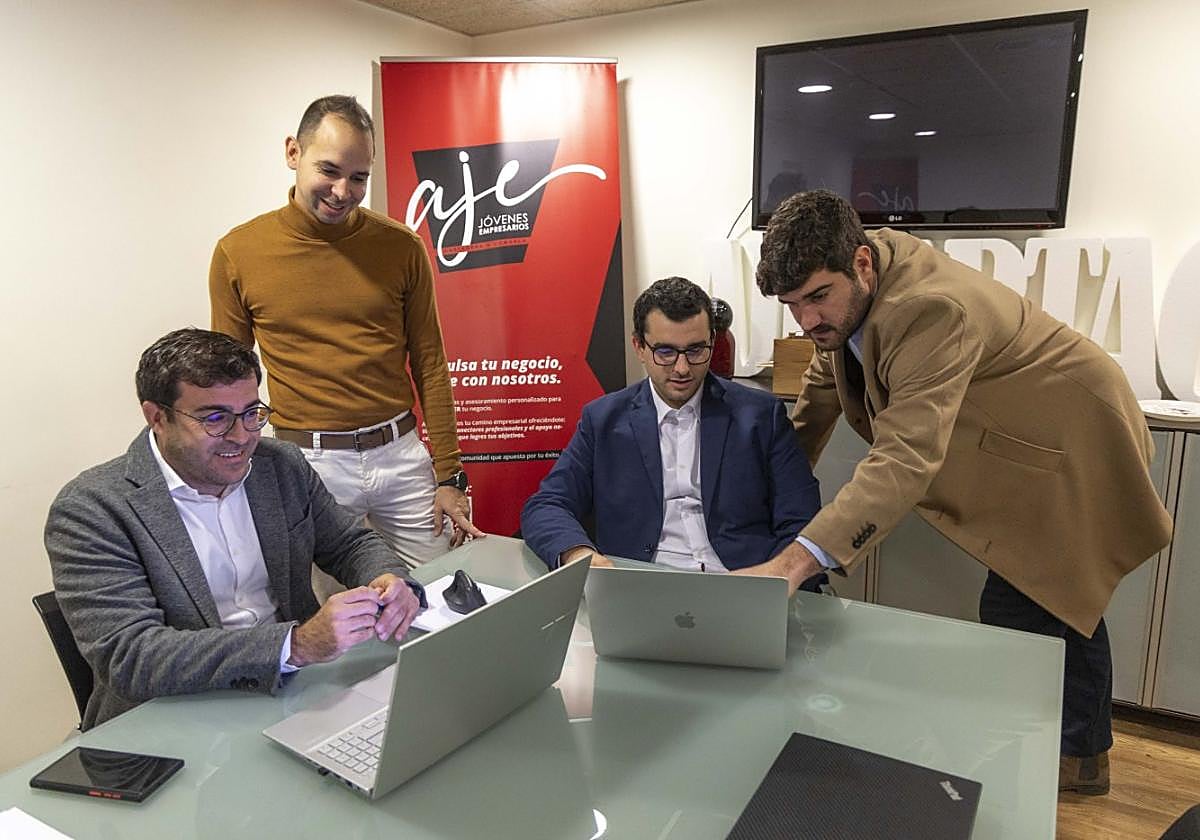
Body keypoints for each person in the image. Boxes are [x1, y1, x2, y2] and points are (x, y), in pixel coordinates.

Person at [755, 189, 1174, 795]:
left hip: (1071, 437)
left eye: (818, 297)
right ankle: (1078, 755)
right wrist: (771, 480)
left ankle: (1065, 761)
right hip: (1022, 433)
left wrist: (792, 562)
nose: (808, 320)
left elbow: (903, 457)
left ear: (862, 265)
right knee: (1055, 599)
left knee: (1040, 599)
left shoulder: (928, 308)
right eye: (793, 306)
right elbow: (825, 383)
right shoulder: (858, 287)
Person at [45, 329, 425, 730]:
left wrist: (388, 578)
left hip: (297, 695)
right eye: (215, 419)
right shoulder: (91, 509)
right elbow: (132, 656)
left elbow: (350, 543)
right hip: (172, 718)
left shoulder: (280, 465)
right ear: (157, 417)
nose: (242, 437)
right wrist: (295, 645)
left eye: (251, 414)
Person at [209, 94, 481, 566]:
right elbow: (229, 384)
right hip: (309, 463)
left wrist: (449, 476)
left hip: (400, 456)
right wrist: (230, 473)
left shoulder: (401, 247)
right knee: (336, 622)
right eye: (329, 170)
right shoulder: (239, 252)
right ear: (293, 152)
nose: (342, 191)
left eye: (359, 178)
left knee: (442, 597)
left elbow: (431, 363)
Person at [521, 277, 824, 586]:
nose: (682, 368)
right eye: (665, 352)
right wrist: (581, 555)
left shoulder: (761, 416)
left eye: (695, 350)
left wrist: (776, 578)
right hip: (638, 585)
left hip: (740, 583)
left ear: (712, 341)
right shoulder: (602, 421)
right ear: (639, 346)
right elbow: (547, 505)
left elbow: (803, 520)